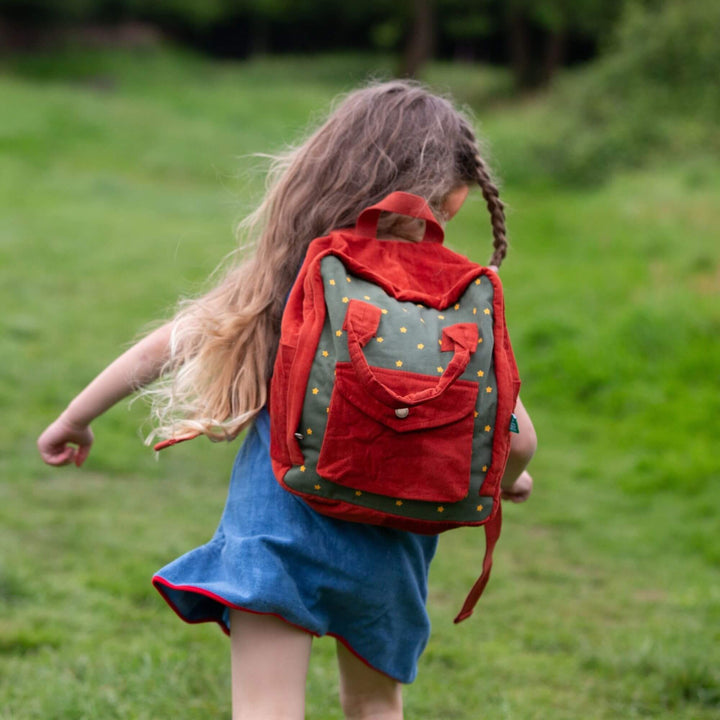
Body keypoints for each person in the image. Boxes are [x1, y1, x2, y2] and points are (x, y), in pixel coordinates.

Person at [38, 80, 536, 720]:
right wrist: (508, 481)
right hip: (392, 541)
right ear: (456, 196)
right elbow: (517, 437)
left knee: (267, 708)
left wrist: (74, 418)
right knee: (376, 706)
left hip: (276, 527)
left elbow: (169, 344)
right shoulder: (456, 299)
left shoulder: (296, 267)